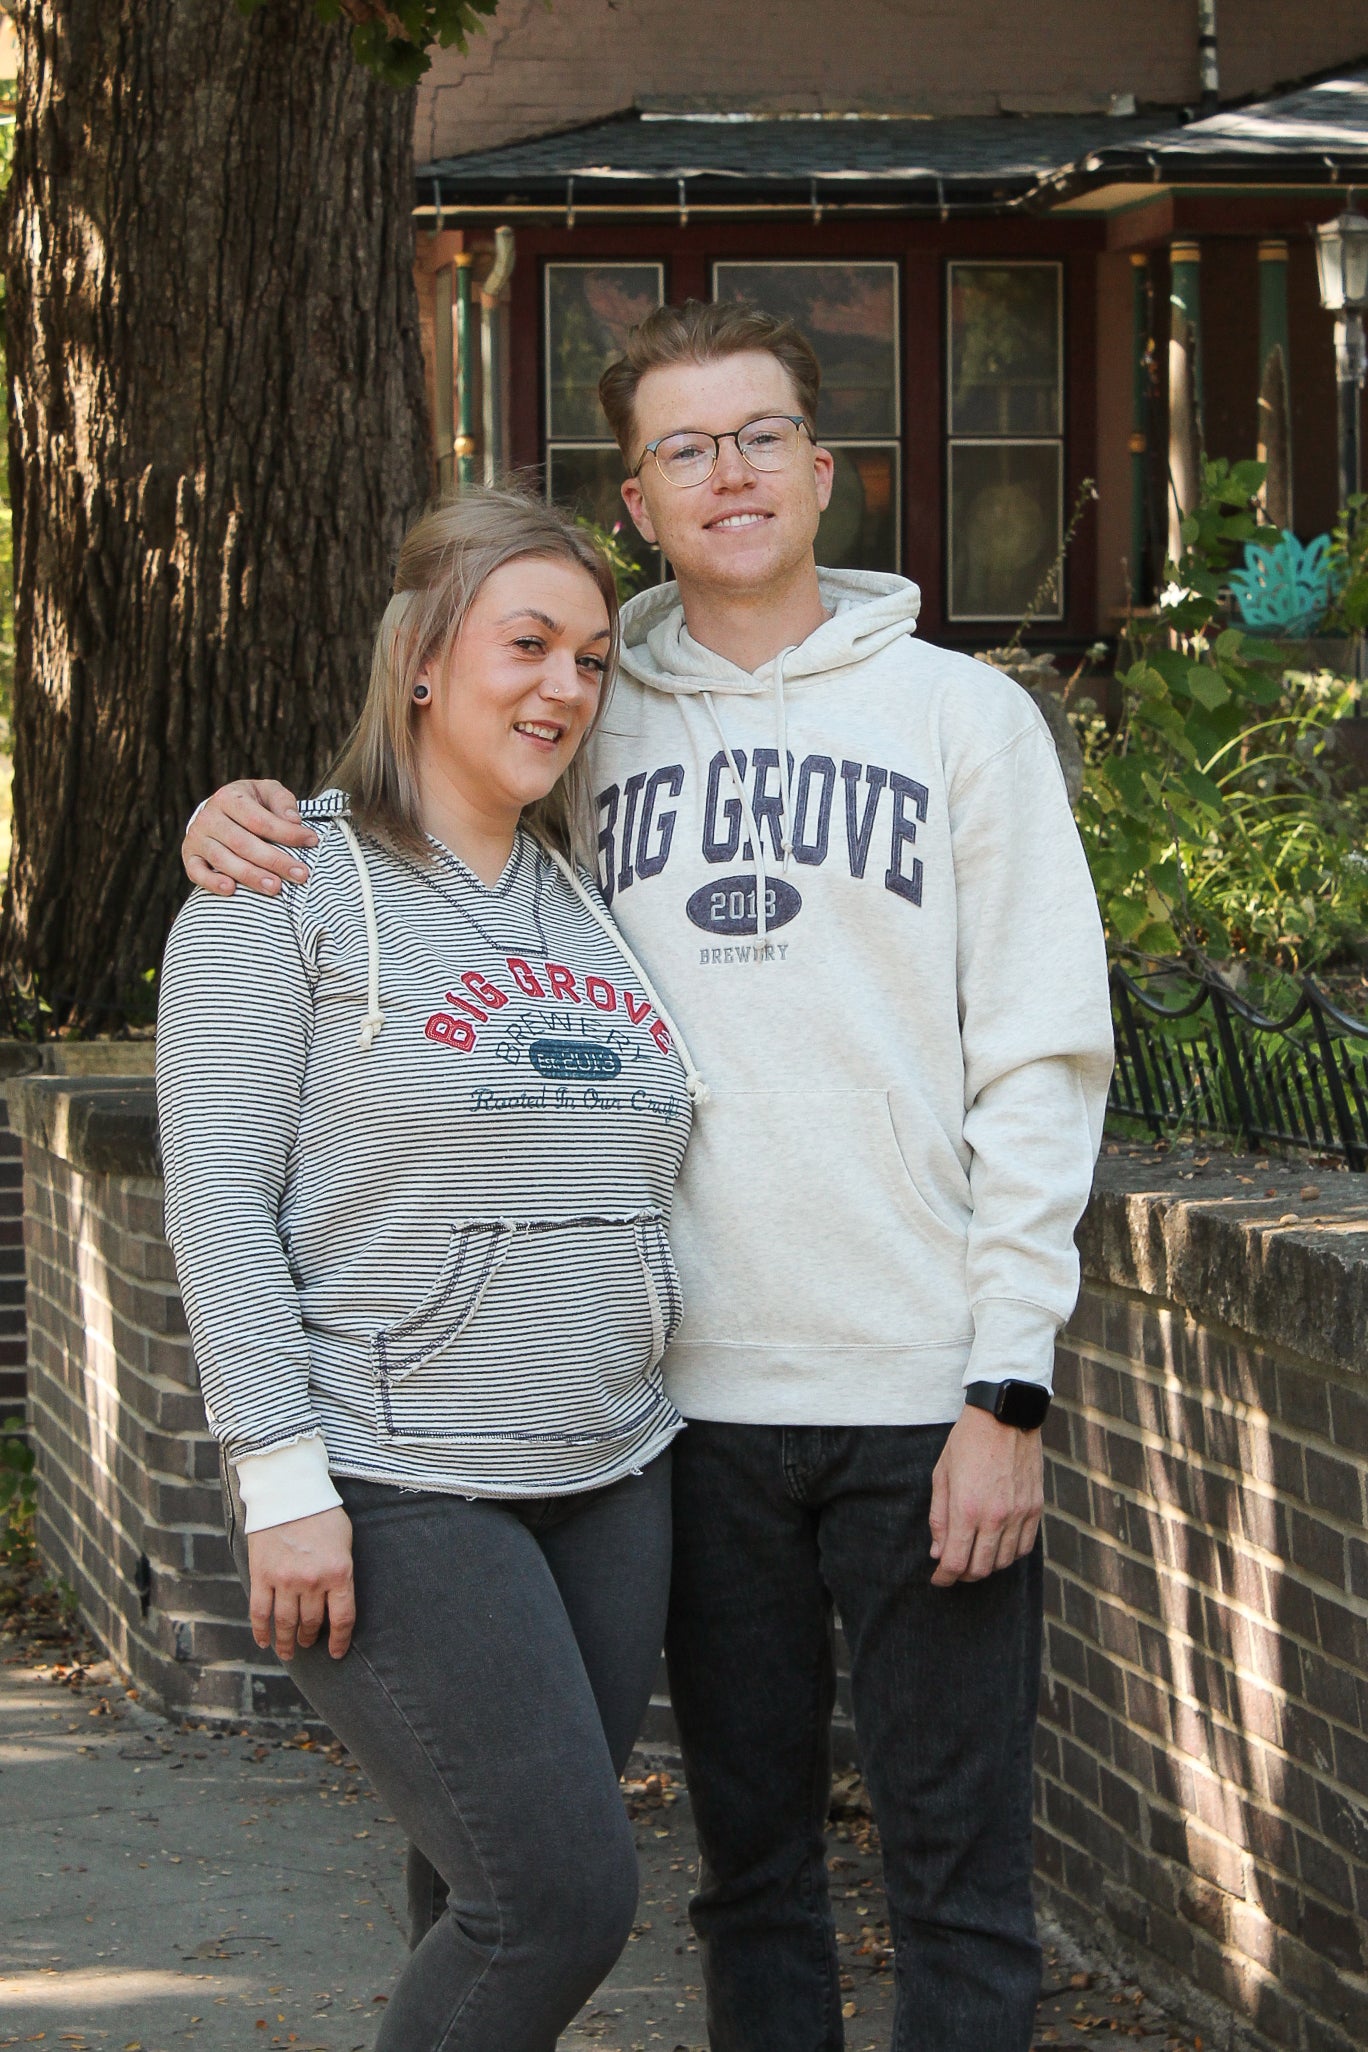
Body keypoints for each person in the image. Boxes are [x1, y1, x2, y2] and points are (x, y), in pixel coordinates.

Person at [183, 301, 1114, 2052]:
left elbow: (1043, 1064)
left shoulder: (963, 719)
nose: (729, 473)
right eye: (686, 447)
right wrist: (236, 823)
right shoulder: (590, 729)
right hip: (681, 1417)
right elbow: (405, 828)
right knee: (722, 1880)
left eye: (759, 435)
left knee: (960, 1882)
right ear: (642, 496)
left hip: (910, 1391)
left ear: (825, 468)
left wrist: (1012, 1380)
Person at [157, 489, 706, 2052]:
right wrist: (280, 1482)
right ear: (420, 662)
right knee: (558, 1900)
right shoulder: (279, 890)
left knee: (472, 1893)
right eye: (525, 644)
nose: (563, 688)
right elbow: (218, 1202)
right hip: (398, 1480)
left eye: (595, 661)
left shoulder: (589, 894)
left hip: (611, 1469)